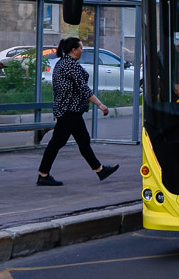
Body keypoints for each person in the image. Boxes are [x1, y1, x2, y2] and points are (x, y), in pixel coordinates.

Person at [37, 37, 118, 186]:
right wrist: (100, 105)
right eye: (80, 48)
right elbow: (84, 88)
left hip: (69, 110)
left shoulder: (63, 63)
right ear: (73, 50)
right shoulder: (70, 65)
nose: (82, 50)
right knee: (58, 142)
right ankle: (43, 174)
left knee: (83, 140)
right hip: (69, 110)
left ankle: (100, 170)